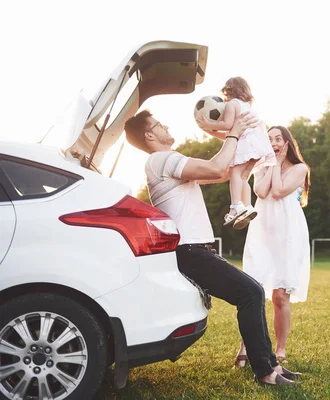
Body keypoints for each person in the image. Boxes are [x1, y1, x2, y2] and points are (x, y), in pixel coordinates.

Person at [124, 110, 300, 386]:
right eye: (159, 124)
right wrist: (234, 132)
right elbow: (217, 168)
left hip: (197, 250)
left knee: (252, 292)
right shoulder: (162, 159)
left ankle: (272, 366)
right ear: (149, 135)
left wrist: (248, 147)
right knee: (251, 292)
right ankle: (265, 372)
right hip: (189, 251)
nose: (166, 125)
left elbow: (223, 173)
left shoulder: (168, 162)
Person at [234, 126, 311, 367]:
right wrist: (270, 165)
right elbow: (260, 191)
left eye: (278, 138)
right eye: (269, 139)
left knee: (280, 296)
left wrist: (277, 164)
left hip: (288, 235)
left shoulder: (300, 169)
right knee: (252, 291)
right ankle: (245, 346)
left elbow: (278, 192)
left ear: (288, 143)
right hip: (262, 233)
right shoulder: (262, 167)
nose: (274, 142)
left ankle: (280, 350)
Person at [196, 77, 275, 229]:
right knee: (244, 177)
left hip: (247, 145)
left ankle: (235, 207)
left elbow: (227, 125)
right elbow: (232, 134)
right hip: (259, 145)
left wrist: (209, 124)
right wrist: (211, 131)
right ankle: (247, 206)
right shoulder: (249, 107)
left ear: (229, 91)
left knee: (234, 173)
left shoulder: (233, 104)